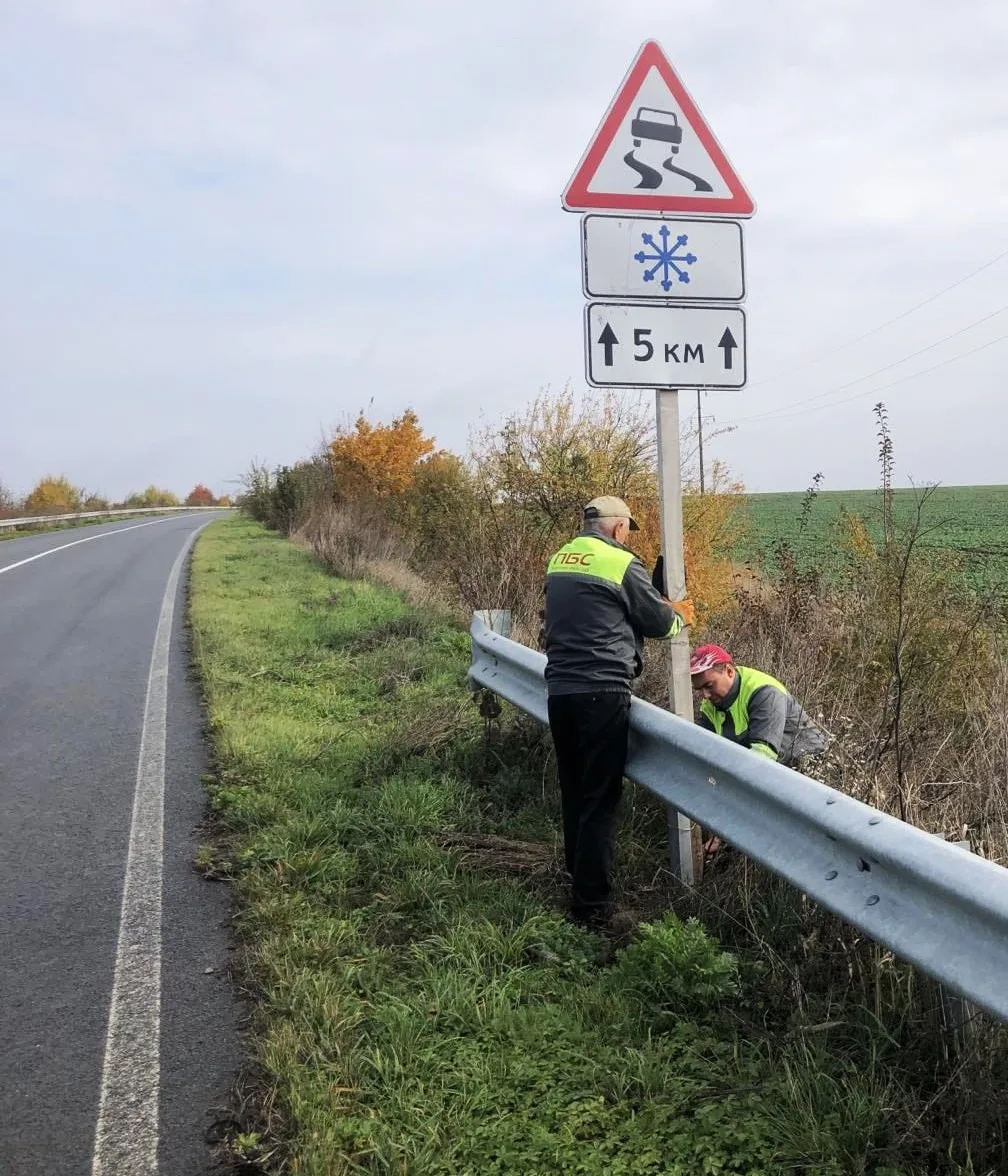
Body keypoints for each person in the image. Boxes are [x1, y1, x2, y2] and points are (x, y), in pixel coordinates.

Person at [543, 495, 695, 927]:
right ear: (617, 527)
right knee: (600, 796)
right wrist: (679, 615)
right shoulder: (620, 562)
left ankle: (577, 878)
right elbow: (659, 624)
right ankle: (591, 906)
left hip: (560, 689)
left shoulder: (561, 558)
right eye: (627, 530)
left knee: (575, 790)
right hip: (602, 690)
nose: (627, 536)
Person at [689, 643, 830, 769]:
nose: (705, 695)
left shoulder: (765, 693)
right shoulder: (710, 705)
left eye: (709, 685)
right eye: (700, 689)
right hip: (779, 768)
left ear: (729, 671)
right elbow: (701, 748)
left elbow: (762, 759)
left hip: (811, 769)